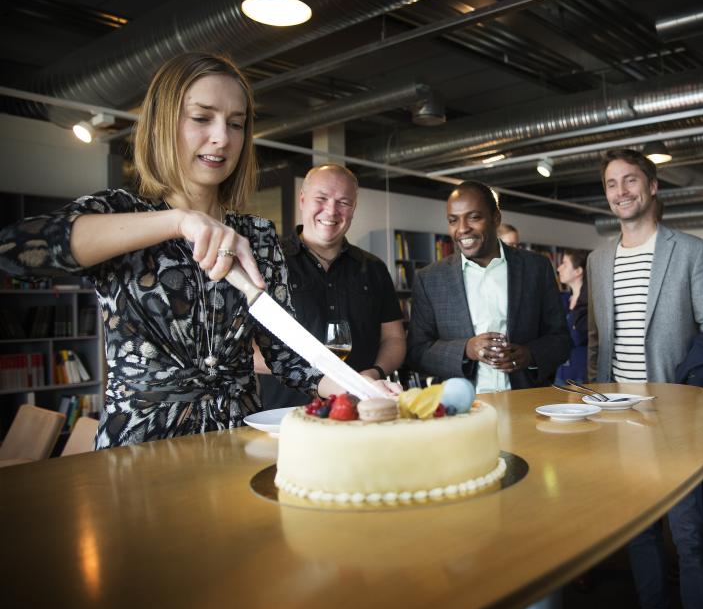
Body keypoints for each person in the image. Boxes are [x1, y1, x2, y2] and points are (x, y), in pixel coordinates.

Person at [0, 52, 346, 448]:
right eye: (202, 118)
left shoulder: (258, 236)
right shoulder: (122, 213)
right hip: (139, 448)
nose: (223, 137)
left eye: (236, 123)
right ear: (164, 124)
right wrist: (177, 221)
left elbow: (285, 355)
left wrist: (347, 385)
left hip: (236, 441)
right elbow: (14, 250)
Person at [587, 148, 703, 609]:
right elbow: (596, 339)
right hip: (617, 420)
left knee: (691, 537)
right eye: (612, 183)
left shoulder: (690, 251)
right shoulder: (597, 258)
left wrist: (698, 399)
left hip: (678, 421)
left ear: (652, 187)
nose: (621, 191)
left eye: (631, 180)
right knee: (639, 533)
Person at [256, 164, 405, 408]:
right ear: (303, 200)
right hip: (286, 414)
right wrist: (315, 377)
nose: (331, 211)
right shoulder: (267, 263)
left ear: (353, 208)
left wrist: (373, 373)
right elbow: (247, 349)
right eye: (321, 198)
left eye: (343, 202)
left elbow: (394, 338)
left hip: (362, 408)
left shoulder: (374, 268)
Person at [406, 181, 569, 392]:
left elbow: (561, 340)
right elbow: (416, 352)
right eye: (453, 220)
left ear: (496, 218)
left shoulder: (536, 268)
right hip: (461, 408)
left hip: (525, 400)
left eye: (474, 217)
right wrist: (467, 350)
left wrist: (530, 354)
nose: (462, 229)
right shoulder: (430, 279)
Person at [555, 248, 588, 384]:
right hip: (558, 374)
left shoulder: (592, 303)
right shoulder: (561, 300)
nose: (558, 268)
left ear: (578, 271)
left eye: (564, 263)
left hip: (581, 375)